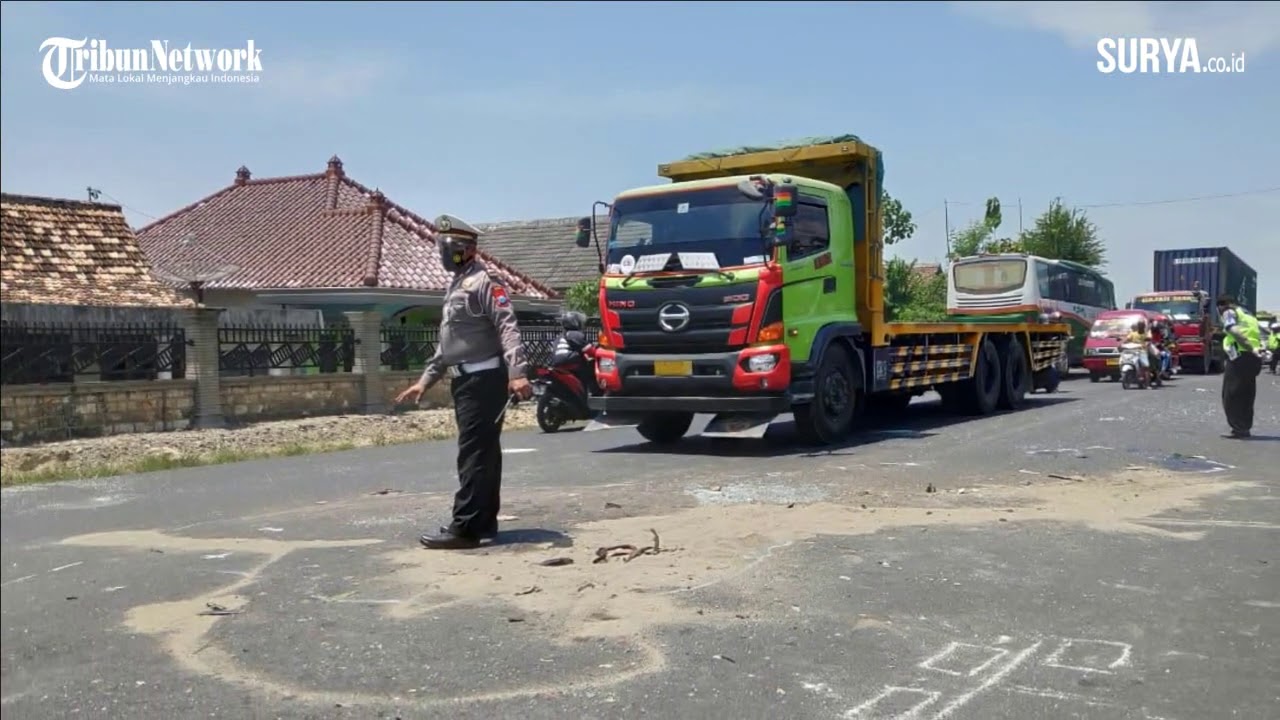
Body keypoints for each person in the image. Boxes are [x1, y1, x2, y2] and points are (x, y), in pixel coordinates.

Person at [394, 214, 534, 549]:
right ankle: (484, 522)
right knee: (483, 453)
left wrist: (517, 373)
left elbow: (507, 326)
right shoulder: (457, 283)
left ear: (467, 249)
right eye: (442, 247)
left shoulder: (486, 281)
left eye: (449, 247)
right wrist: (426, 380)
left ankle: (465, 527)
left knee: (474, 453)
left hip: (484, 379)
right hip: (466, 381)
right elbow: (449, 343)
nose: (444, 253)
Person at [1216, 295, 1262, 439]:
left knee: (1231, 395)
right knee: (1247, 395)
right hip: (1253, 358)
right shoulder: (1249, 315)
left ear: (1223, 305)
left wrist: (1249, 347)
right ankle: (1245, 427)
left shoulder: (1229, 312)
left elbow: (1234, 331)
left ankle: (1238, 428)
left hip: (1239, 357)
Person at [1125, 320, 1152, 387]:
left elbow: (1149, 340)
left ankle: (1148, 384)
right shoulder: (1133, 334)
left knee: (1146, 367)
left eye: (1142, 325)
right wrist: (1121, 344)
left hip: (1142, 352)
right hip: (1133, 352)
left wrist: (1146, 344)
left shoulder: (1146, 334)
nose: (1141, 327)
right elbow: (1127, 340)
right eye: (1139, 325)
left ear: (1144, 326)